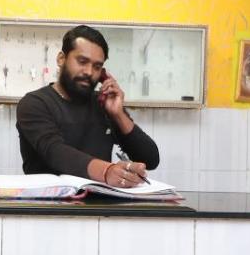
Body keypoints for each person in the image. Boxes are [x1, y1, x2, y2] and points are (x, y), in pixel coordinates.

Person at [15, 25, 160, 189]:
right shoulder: (34, 103)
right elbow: (55, 152)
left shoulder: (104, 104)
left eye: (97, 67)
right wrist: (107, 171)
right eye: (82, 62)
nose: (89, 72)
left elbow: (150, 160)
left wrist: (118, 114)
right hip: (49, 201)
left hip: (100, 201)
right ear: (61, 59)